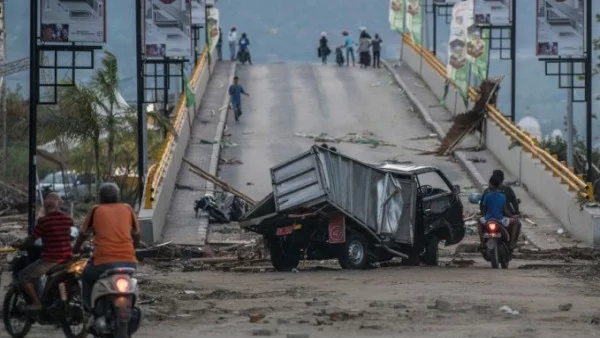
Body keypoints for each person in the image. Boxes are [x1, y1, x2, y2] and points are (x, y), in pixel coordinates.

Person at [73, 183, 140, 311]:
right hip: (129, 262)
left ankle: (87, 310)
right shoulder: (127, 208)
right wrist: (133, 249)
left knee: (86, 276)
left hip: (104, 261)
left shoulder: (96, 210)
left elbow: (83, 234)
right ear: (117, 196)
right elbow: (136, 234)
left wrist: (75, 249)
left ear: (100, 197)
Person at [12, 193, 74, 312]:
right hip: (67, 258)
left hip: (50, 260)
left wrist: (20, 246)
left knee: (23, 276)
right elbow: (71, 236)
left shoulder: (44, 222)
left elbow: (32, 240)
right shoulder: (68, 220)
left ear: (45, 206)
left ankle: (36, 303)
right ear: (59, 205)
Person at [479, 175, 521, 250]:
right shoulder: (502, 196)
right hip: (500, 220)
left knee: (478, 222)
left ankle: (482, 243)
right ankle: (511, 244)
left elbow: (484, 210)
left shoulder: (487, 196)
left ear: (491, 184)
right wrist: (512, 216)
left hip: (488, 219)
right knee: (516, 223)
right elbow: (505, 210)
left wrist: (482, 215)